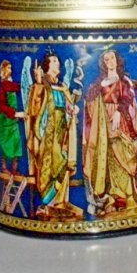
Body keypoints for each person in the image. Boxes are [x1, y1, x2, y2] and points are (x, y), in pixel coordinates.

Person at [82, 50, 137, 217]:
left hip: (121, 122)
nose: (110, 61)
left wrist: (119, 112)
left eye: (112, 58)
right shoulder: (99, 83)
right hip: (103, 124)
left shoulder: (123, 81)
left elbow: (127, 97)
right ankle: (113, 197)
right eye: (106, 59)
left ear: (117, 60)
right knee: (109, 158)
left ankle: (128, 196)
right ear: (103, 63)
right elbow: (90, 98)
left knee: (123, 154)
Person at [25, 52, 83, 221]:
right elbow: (33, 108)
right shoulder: (42, 85)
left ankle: (59, 203)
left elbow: (68, 106)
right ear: (47, 66)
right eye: (55, 61)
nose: (58, 64)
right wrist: (37, 83)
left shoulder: (62, 87)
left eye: (58, 61)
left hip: (61, 132)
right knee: (54, 165)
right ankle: (48, 202)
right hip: (48, 134)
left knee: (65, 163)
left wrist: (72, 109)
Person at [0, 60, 25, 174]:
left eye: (11, 68)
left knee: (16, 144)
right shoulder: (2, 87)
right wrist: (15, 114)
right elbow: (2, 106)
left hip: (13, 122)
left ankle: (14, 170)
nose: (10, 70)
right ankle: (4, 168)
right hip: (5, 121)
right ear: (3, 69)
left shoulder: (10, 85)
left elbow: (18, 87)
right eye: (8, 68)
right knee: (6, 145)